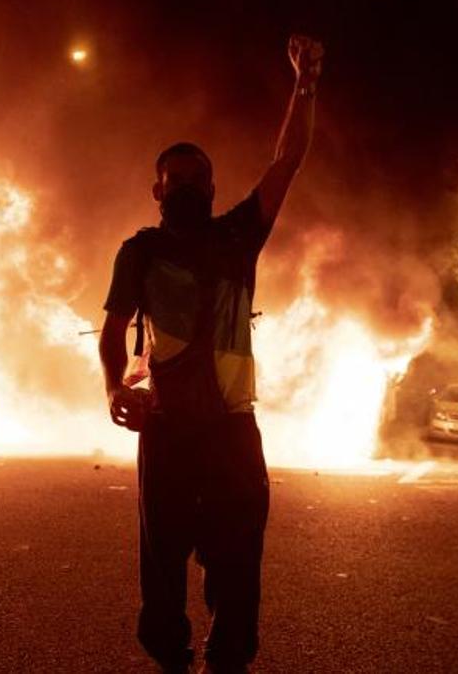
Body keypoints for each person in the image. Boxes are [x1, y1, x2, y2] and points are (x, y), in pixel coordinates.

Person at [98, 34, 324, 673]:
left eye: (197, 178)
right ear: (157, 189)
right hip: (166, 432)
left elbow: (287, 161)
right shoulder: (138, 252)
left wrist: (306, 82)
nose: (186, 186)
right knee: (161, 560)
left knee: (238, 558)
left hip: (231, 430)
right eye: (175, 178)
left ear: (213, 186)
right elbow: (113, 328)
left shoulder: (238, 237)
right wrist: (114, 388)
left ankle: (228, 661)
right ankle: (171, 657)